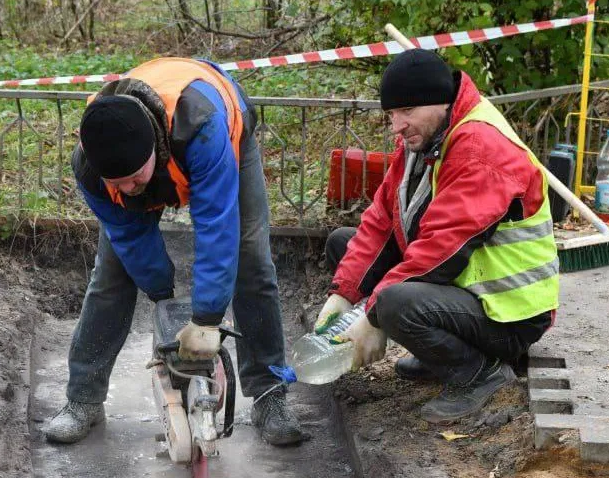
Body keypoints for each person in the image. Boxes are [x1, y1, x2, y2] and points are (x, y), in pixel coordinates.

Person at [43, 57, 305, 446]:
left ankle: (269, 395)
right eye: (119, 183)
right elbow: (130, 237)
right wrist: (164, 300)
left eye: (135, 178)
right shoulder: (90, 165)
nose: (130, 188)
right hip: (158, 147)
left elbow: (217, 225)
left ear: (152, 150)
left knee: (250, 259)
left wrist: (206, 318)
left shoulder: (203, 129)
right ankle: (82, 398)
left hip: (221, 127)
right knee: (113, 273)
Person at [315, 49, 559, 423]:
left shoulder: (478, 148)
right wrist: (342, 295)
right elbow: (381, 221)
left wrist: (373, 314)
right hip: (470, 294)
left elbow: (441, 251)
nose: (396, 125)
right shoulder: (427, 138)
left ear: (438, 102)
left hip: (509, 315)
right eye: (391, 114)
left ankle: (480, 375)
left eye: (406, 112)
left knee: (394, 301)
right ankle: (438, 354)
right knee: (344, 243)